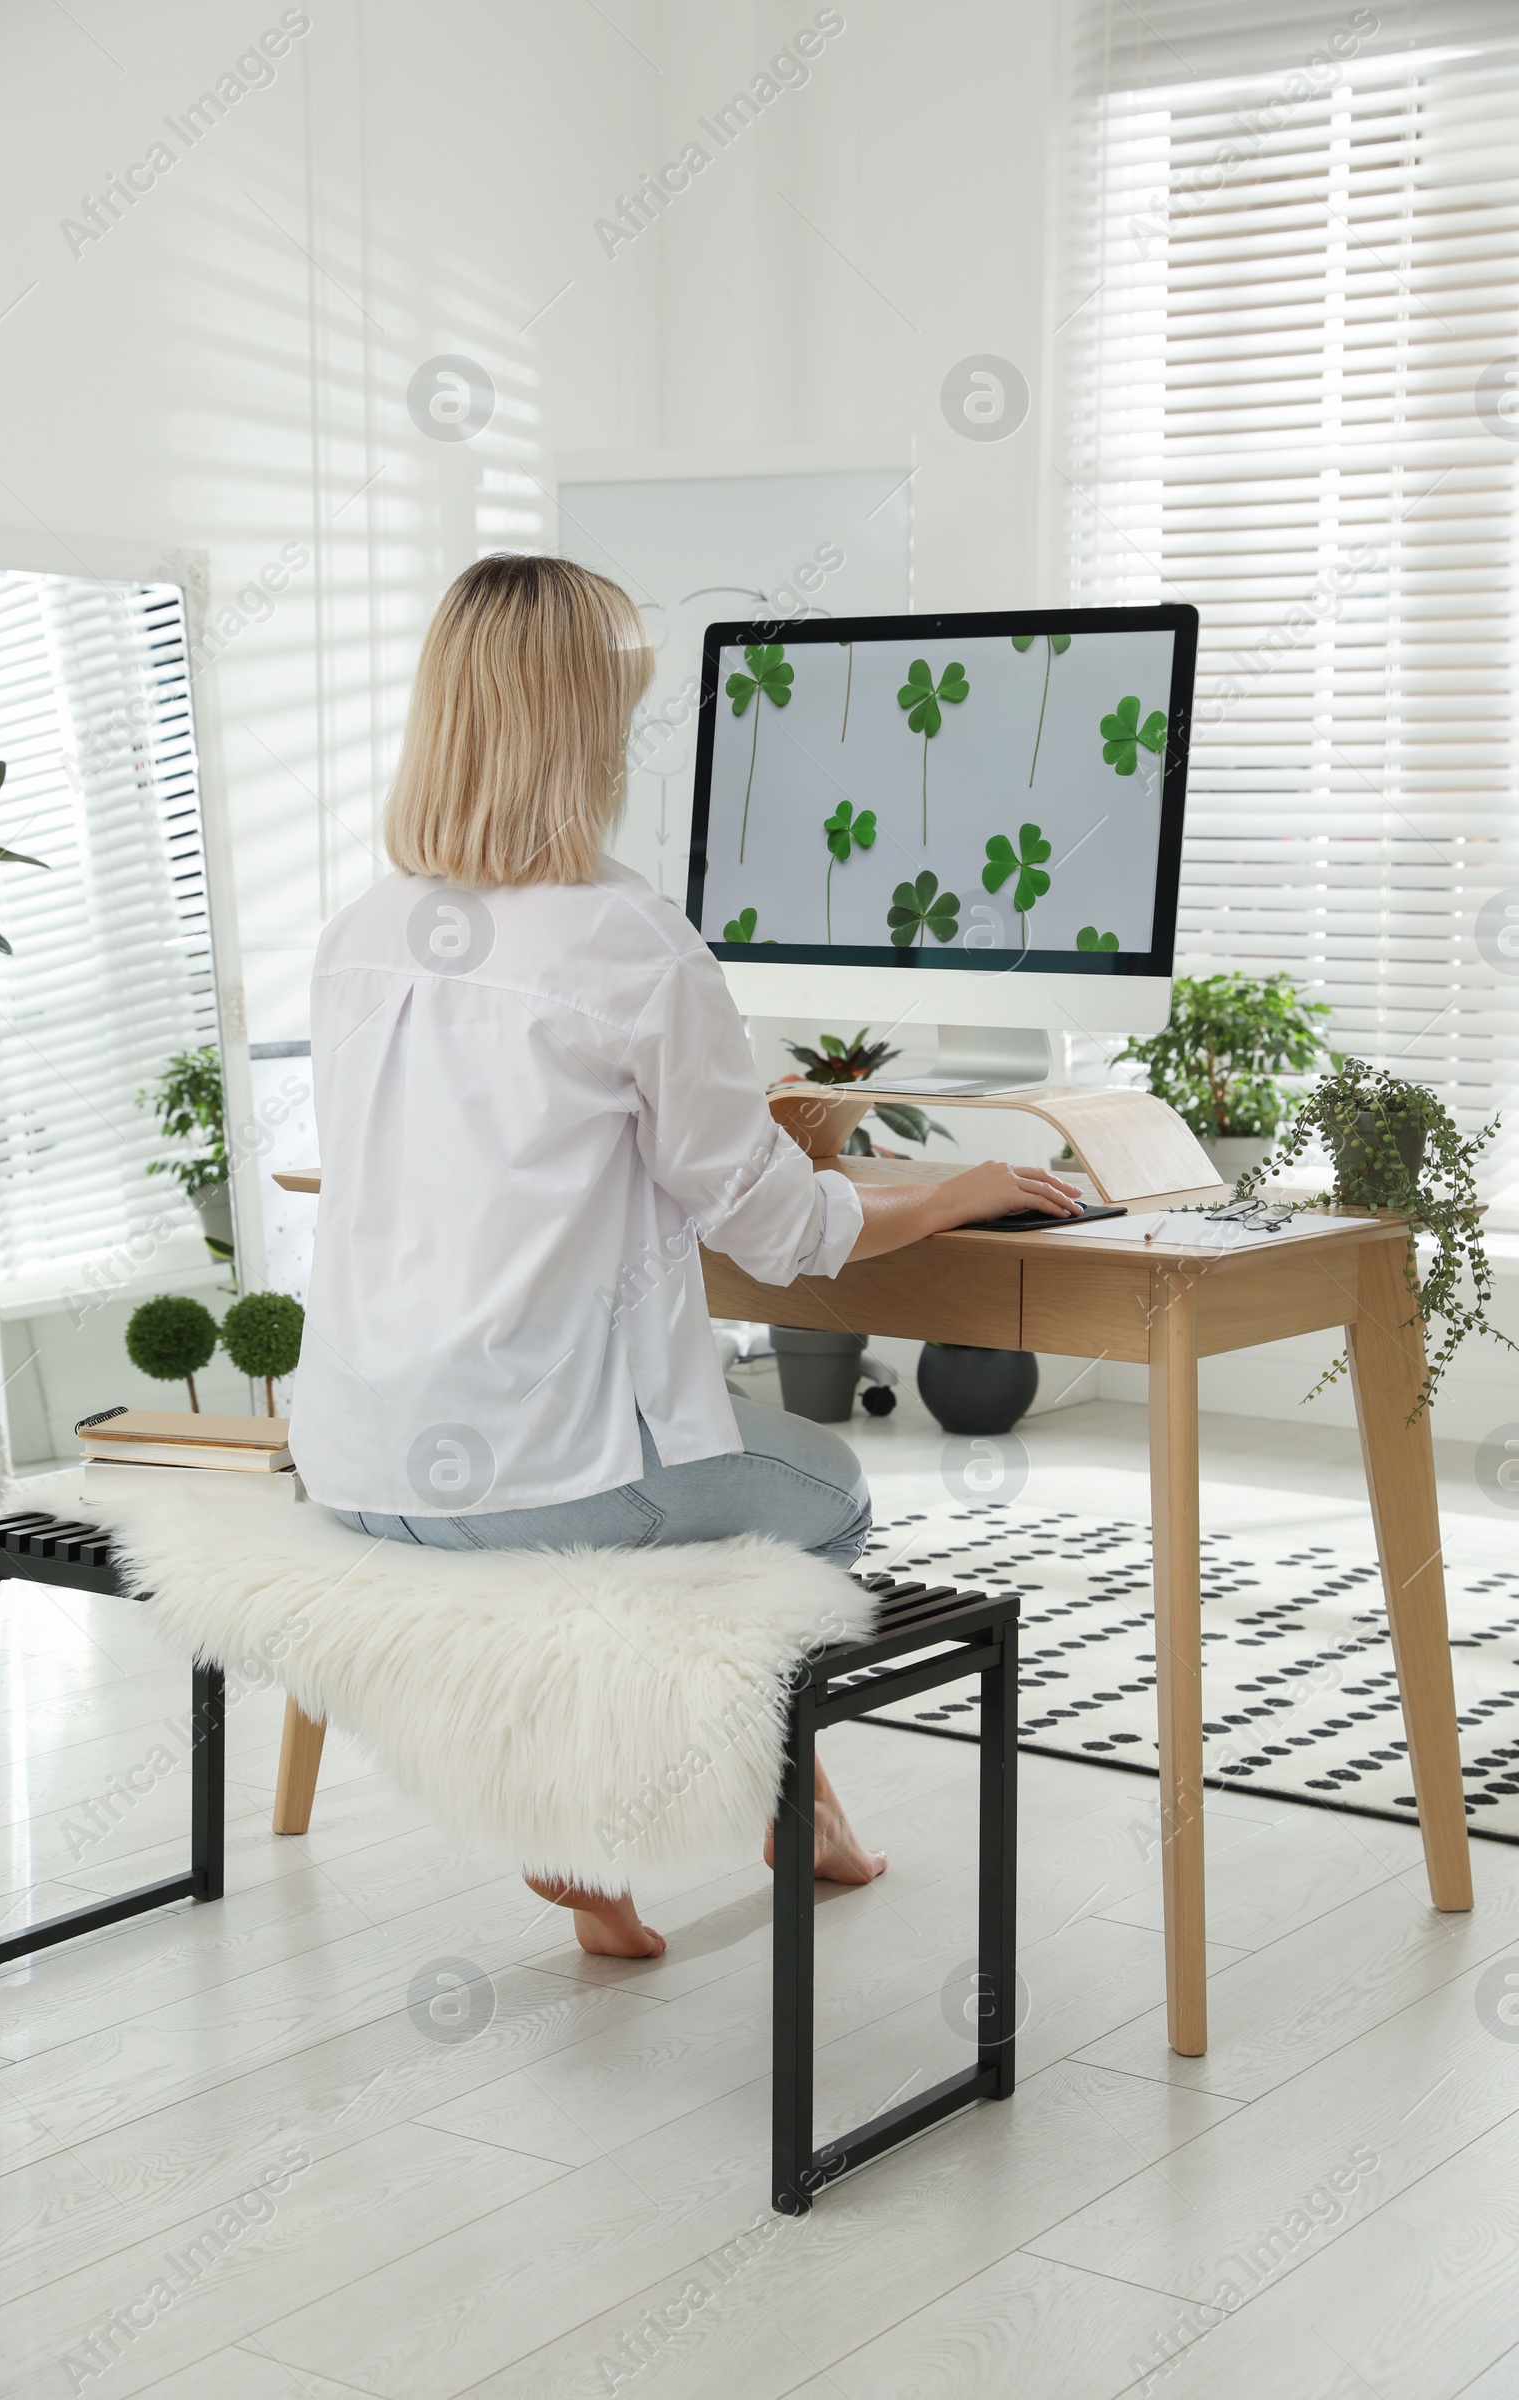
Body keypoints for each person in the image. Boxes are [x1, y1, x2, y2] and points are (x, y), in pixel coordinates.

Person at [288, 556, 1081, 1959]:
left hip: (358, 1464)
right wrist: (955, 1189)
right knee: (823, 1500)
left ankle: (796, 1825)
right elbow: (782, 1232)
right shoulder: (629, 937)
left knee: (715, 1491)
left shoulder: (359, 934)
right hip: (538, 1479)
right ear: (583, 726)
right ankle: (616, 1816)